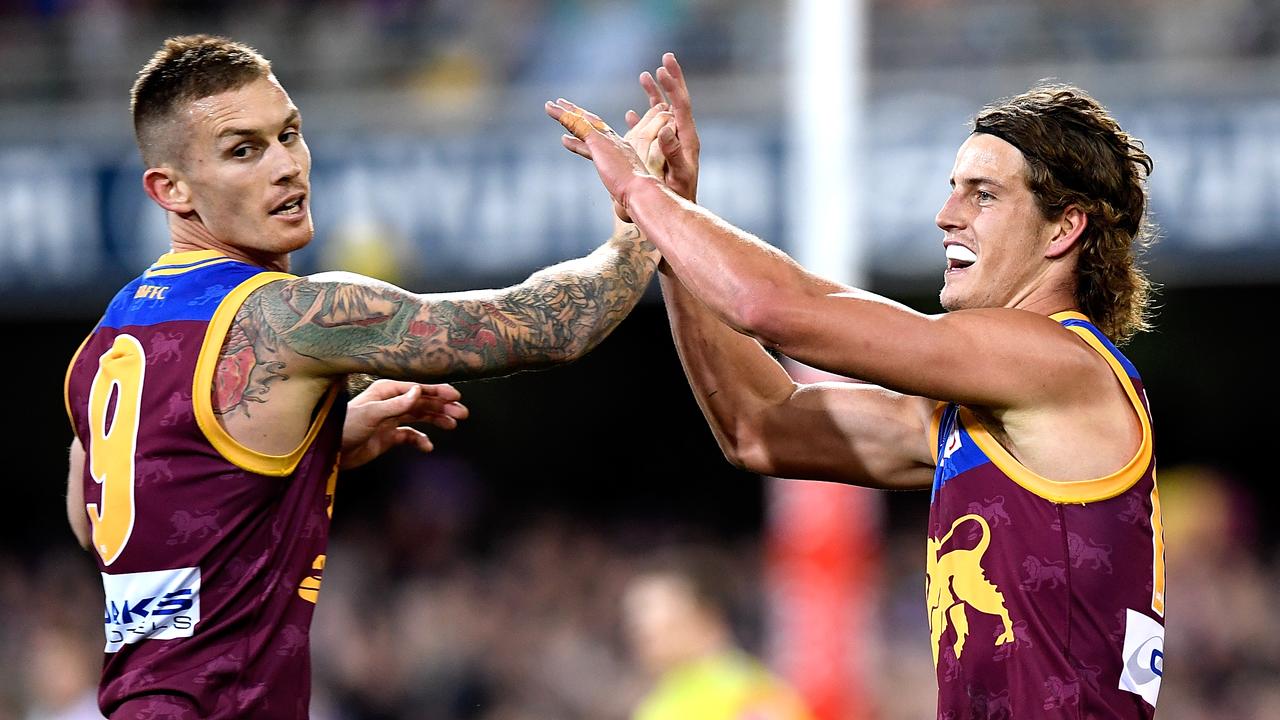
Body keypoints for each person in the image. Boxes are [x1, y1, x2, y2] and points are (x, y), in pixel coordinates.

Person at [64, 35, 671, 719]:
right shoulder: (288, 316)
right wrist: (649, 203)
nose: (286, 166)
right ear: (169, 188)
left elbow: (100, 525)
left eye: (289, 134)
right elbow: (550, 324)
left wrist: (300, 451)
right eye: (244, 150)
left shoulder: (106, 341)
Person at [549, 55, 1166, 718]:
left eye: (982, 194)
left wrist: (646, 195)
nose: (945, 215)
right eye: (953, 188)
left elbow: (775, 308)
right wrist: (673, 233)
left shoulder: (1059, 363)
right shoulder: (985, 419)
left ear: (1064, 228)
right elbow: (759, 426)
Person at [623, 551, 815, 720]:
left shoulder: (747, 693)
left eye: (650, 611)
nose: (638, 628)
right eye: (634, 617)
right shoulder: (666, 696)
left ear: (705, 616)